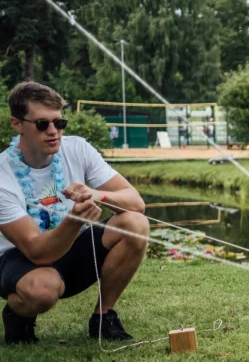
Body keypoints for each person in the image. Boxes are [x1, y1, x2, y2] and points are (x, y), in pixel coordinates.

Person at [1, 82, 149, 345]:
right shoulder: (3, 174)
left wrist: (99, 195)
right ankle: (17, 314)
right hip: (20, 258)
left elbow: (135, 202)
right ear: (17, 124)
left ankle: (104, 317)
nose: (53, 132)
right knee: (43, 291)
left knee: (134, 223)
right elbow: (37, 251)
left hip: (73, 249)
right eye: (42, 124)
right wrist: (74, 219)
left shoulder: (77, 148)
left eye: (59, 123)